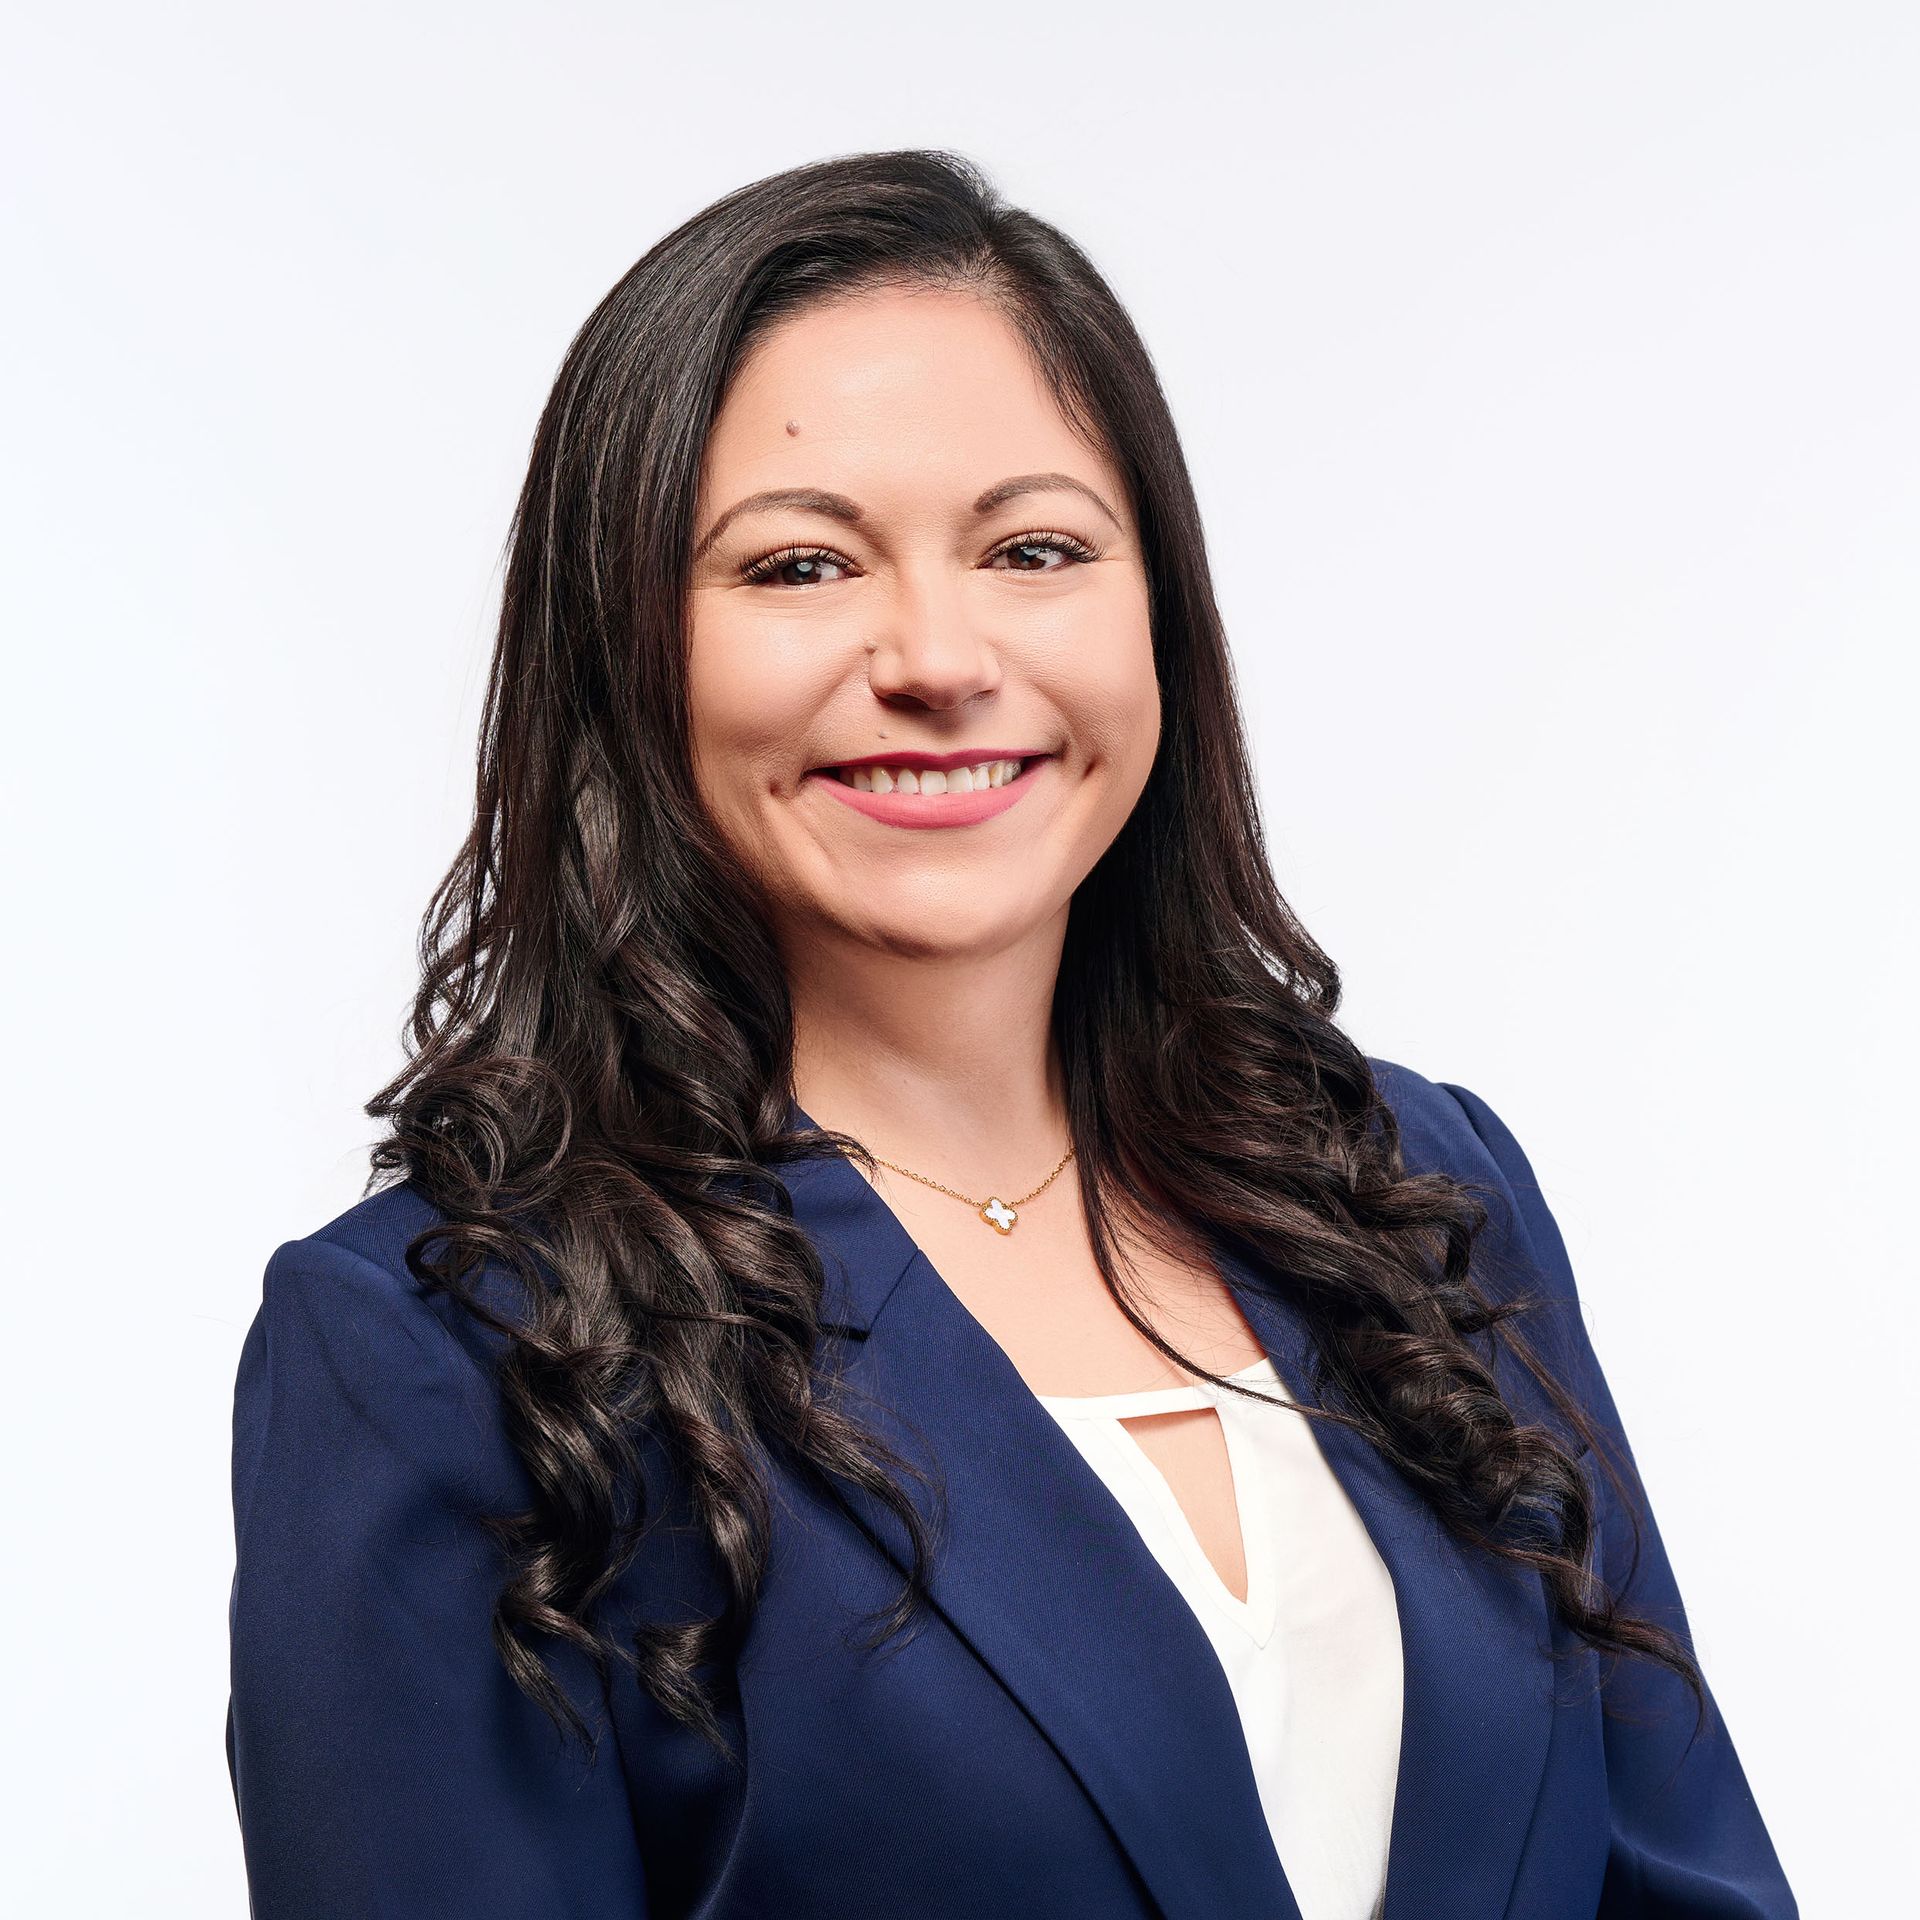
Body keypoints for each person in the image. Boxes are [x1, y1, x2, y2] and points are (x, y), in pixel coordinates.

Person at [225, 150, 1797, 1920]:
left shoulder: (1416, 1194)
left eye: (1034, 547)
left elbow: (1685, 1882)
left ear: (1158, 615)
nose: (940, 654)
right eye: (801, 566)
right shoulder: (451, 1354)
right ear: (624, 652)